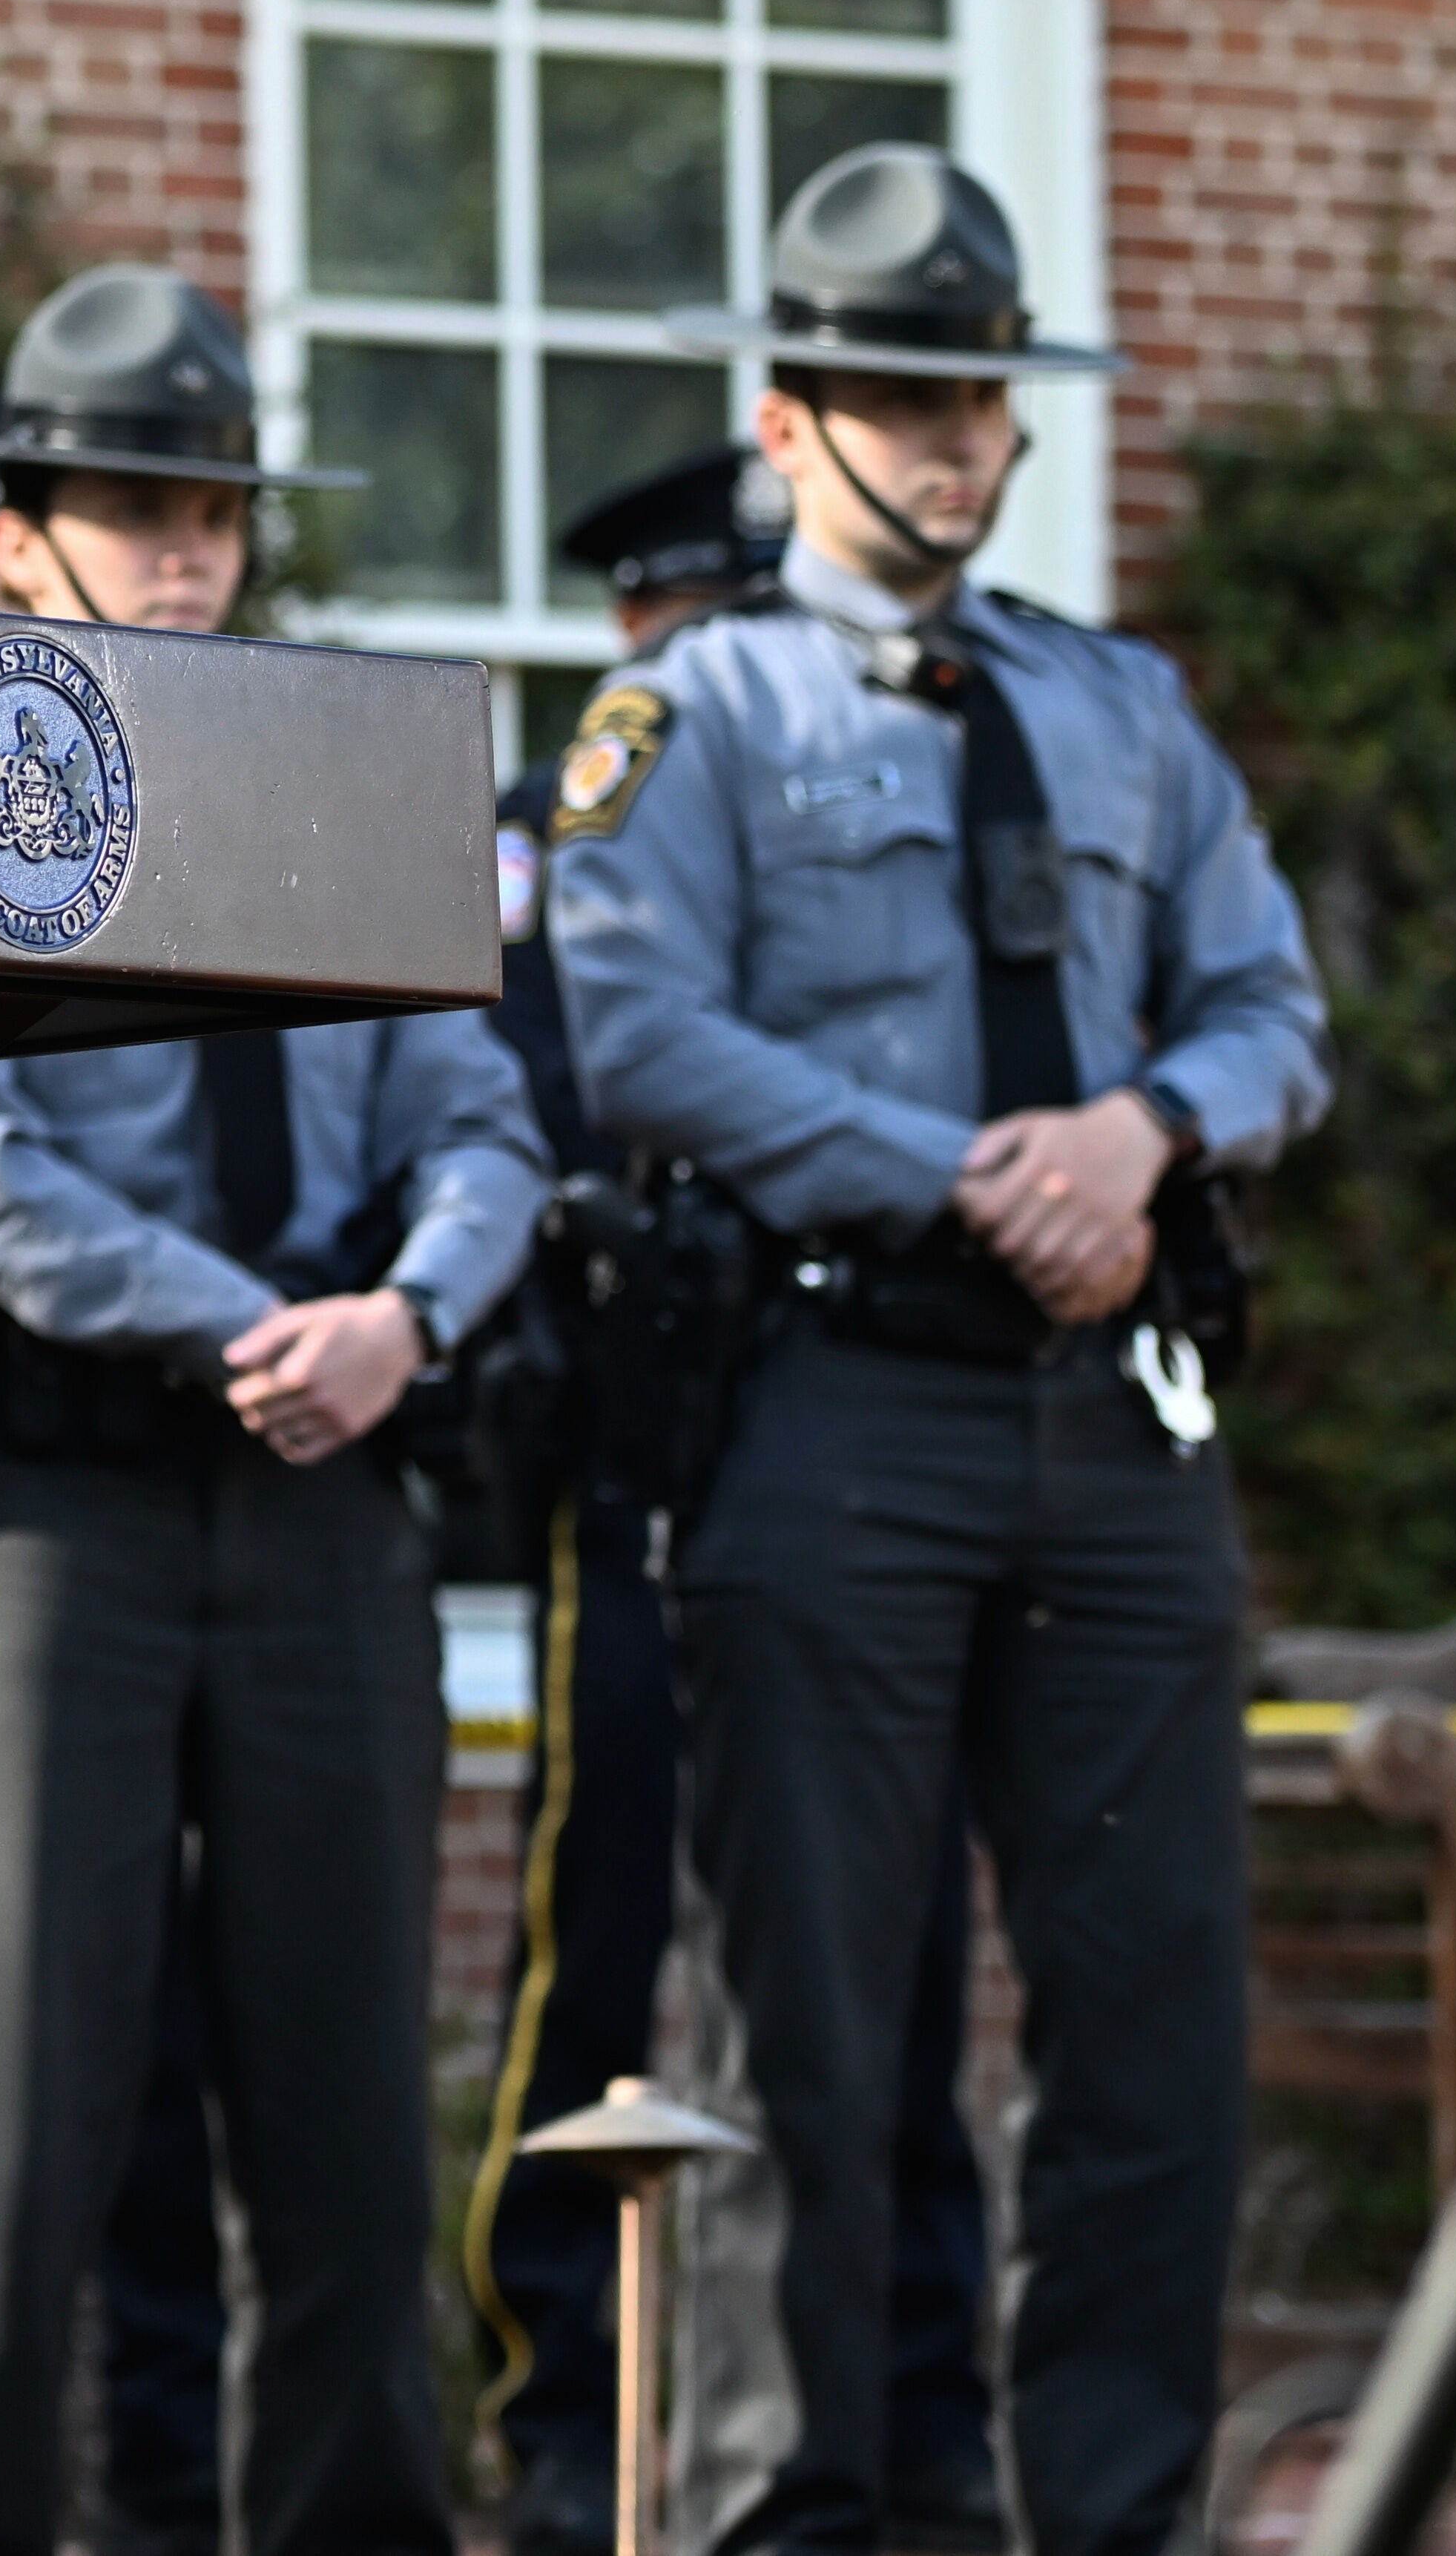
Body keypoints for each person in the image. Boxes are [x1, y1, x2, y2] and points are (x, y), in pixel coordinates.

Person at [547, 148, 1331, 2556]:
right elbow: (629, 1027)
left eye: (983, 391)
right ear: (788, 422)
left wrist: (1137, 1133)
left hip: (1111, 1434)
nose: (957, 436)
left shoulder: (1120, 712)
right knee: (813, 2026)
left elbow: (1272, 1012)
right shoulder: (687, 712)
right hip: (834, 1418)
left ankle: (1112, 2520)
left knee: (1150, 2035)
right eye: (903, 392)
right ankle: (820, 2515)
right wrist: (962, 1168)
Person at [0, 266, 546, 2556]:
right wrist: (255, 1318)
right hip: (48, 1502)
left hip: (328, 1484)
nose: (181, 547)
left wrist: (406, 1322)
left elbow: (482, 1119)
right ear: (21, 525)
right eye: (128, 502)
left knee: (347, 2111)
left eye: (213, 508)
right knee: (3, 2124)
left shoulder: (340, 769)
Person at [459, 446, 1012, 2556]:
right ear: (626, 635)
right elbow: (536, 1093)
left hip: (865, 1455)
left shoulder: (880, 841)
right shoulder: (549, 842)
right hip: (653, 1455)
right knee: (601, 1949)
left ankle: (895, 2413)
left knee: (879, 1974)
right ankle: (562, 2418)